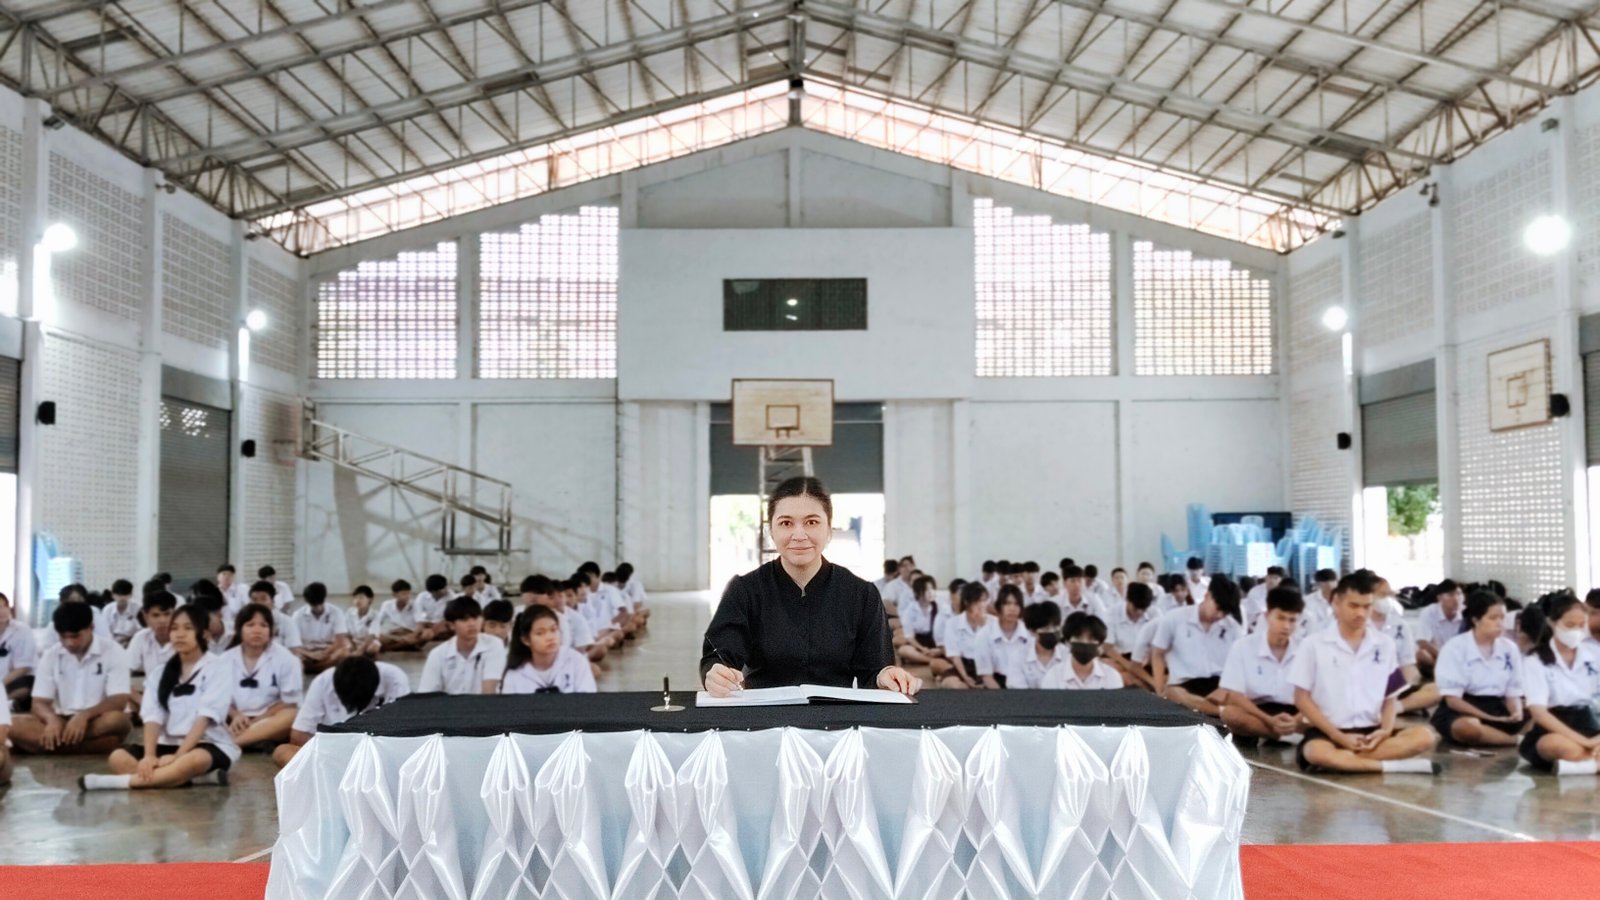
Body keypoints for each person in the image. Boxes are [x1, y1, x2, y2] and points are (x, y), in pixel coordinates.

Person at [701, 477, 919, 697]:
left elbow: (874, 669)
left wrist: (885, 675)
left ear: (829, 529)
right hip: (764, 714)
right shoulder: (745, 591)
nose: (799, 535)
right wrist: (716, 674)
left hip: (836, 714)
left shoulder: (861, 594)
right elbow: (721, 656)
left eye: (812, 522)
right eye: (786, 523)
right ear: (770, 531)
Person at [1290, 570, 1439, 774]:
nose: (1360, 613)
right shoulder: (1313, 645)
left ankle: (1345, 762)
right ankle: (1391, 766)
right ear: (1336, 603)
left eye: (1366, 606)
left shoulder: (1385, 644)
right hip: (1329, 732)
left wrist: (1385, 730)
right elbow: (1301, 699)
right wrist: (1338, 737)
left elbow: (1390, 697)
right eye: (1353, 606)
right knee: (1316, 752)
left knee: (1425, 736)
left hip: (1372, 732)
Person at [78, 604, 235, 790]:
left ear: (205, 634)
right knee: (117, 757)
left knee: (193, 760)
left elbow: (204, 718)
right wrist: (149, 755)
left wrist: (178, 756)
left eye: (188, 628)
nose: (180, 634)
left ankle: (116, 783)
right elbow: (152, 716)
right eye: (174, 628)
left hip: (206, 744)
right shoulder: (160, 672)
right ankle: (188, 779)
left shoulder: (218, 668)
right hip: (165, 743)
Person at [8, 603, 132, 755]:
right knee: (10, 723)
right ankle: (90, 747)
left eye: (75, 636)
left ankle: (48, 745)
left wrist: (84, 715)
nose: (69, 643)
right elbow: (39, 703)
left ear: (91, 628)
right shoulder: (51, 655)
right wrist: (51, 719)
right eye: (63, 637)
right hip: (61, 720)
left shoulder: (113, 651)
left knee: (116, 720)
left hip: (97, 719)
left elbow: (118, 700)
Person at [272, 656, 411, 768]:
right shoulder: (323, 681)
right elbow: (299, 735)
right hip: (331, 754)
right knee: (282, 752)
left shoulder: (395, 679)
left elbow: (403, 734)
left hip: (376, 756)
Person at [1430, 590, 1525, 747]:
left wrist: (1516, 712)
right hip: (1465, 707)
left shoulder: (1510, 648)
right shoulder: (1455, 647)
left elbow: (1512, 691)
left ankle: (1498, 736)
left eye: (1502, 618)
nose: (1500, 623)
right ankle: (1515, 740)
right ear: (1476, 620)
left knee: (1546, 713)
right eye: (1493, 618)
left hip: (1498, 705)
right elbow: (1453, 700)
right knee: (1468, 728)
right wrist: (1490, 718)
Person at [1518, 594, 1600, 774]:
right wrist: (1585, 742)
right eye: (1570, 625)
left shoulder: (1594, 653)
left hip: (1588, 721)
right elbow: (1539, 713)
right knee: (1558, 745)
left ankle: (1585, 766)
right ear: (1552, 623)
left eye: (1581, 625)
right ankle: (1591, 762)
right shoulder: (1535, 660)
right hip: (1553, 726)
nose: (1576, 631)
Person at [1219, 586, 1306, 744]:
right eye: (1280, 618)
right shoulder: (1243, 646)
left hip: (1298, 712)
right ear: (1267, 616)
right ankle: (1290, 737)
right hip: (1258, 711)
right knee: (1229, 714)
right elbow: (1235, 695)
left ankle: (1276, 733)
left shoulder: (1307, 649)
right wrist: (1269, 720)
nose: (1286, 626)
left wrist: (1296, 720)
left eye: (1292, 620)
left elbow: (1316, 696)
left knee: (1328, 713)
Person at [1150, 575, 1245, 716]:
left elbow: (1240, 665)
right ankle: (1221, 713)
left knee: (1240, 697)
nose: (1220, 615)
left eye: (1225, 612)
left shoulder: (1233, 628)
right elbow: (1157, 654)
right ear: (1207, 596)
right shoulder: (1174, 618)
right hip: (1184, 684)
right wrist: (1159, 691)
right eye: (1218, 609)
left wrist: (1225, 689)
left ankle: (1213, 711)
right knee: (1174, 694)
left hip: (1220, 685)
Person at [222, 603, 303, 749]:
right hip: (233, 720)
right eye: (250, 625)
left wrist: (257, 721)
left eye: (263, 625)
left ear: (271, 631)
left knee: (292, 715)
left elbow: (290, 702)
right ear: (239, 629)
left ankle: (230, 744)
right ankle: (251, 740)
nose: (257, 630)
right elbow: (217, 696)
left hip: (270, 719)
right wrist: (235, 715)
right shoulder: (224, 659)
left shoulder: (287, 659)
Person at [500, 605, 597, 694]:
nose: (550, 637)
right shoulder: (515, 674)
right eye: (540, 633)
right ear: (526, 640)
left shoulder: (575, 661)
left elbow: (587, 699)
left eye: (553, 630)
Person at [418, 597, 506, 695]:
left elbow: (489, 690)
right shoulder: (438, 654)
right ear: (451, 625)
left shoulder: (494, 645)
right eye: (464, 620)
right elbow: (427, 693)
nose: (472, 624)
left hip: (486, 703)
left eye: (475, 618)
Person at [1041, 612, 1122, 690]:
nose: (1085, 643)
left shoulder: (1112, 677)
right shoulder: (1053, 676)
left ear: (1100, 644)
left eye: (1091, 639)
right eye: (1078, 638)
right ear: (1067, 642)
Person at [940, 581, 995, 690]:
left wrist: (983, 627)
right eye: (977, 601)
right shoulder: (952, 623)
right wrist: (965, 677)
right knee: (951, 683)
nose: (982, 605)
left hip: (989, 667)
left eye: (984, 600)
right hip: (965, 665)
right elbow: (955, 655)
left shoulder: (993, 622)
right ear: (966, 602)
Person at [974, 586, 1032, 689]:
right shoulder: (984, 635)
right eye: (1007, 603)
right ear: (999, 606)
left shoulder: (1029, 633)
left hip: (1025, 683)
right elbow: (986, 676)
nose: (1012, 608)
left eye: (1016, 604)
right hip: (996, 684)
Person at [1103, 581, 1157, 690]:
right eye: (1136, 608)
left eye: (1143, 609)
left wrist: (1148, 657)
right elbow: (1107, 648)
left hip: (1146, 658)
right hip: (1121, 658)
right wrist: (1128, 665)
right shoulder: (1112, 614)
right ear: (1127, 600)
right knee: (1112, 669)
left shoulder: (1155, 613)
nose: (1140, 612)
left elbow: (1160, 643)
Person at [896, 575, 951, 678]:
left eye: (932, 589)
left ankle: (937, 659)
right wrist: (923, 649)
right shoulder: (910, 610)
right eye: (927, 590)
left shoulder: (940, 606)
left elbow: (948, 630)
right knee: (904, 650)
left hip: (938, 642)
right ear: (919, 592)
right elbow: (910, 637)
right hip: (920, 642)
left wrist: (940, 649)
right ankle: (931, 660)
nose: (931, 592)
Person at [292, 582, 351, 674]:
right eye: (314, 605)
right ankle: (322, 667)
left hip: (329, 651)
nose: (318, 608)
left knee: (344, 653)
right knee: (292, 656)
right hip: (307, 652)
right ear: (307, 601)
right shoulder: (297, 615)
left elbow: (340, 640)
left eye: (320, 604)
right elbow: (293, 643)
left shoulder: (336, 612)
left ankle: (313, 668)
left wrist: (325, 653)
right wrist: (311, 654)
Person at [1011, 601, 1069, 689]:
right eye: (1046, 628)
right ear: (1032, 631)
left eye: (1055, 626)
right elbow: (1017, 691)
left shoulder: (1068, 655)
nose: (1052, 631)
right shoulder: (1019, 656)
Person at [1417, 580, 1466, 673]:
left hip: (1460, 657)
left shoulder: (1467, 613)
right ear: (1439, 598)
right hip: (1438, 655)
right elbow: (1423, 642)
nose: (1456, 598)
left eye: (1459, 594)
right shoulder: (1428, 612)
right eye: (1451, 595)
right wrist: (1444, 656)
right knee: (1422, 654)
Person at [0, 591, 38, 710]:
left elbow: (23, 667)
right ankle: (8, 704)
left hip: (16, 679)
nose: (2, 611)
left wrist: (1, 684)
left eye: (4, 606)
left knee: (24, 688)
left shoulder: (22, 630)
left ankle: (7, 703)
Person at [376, 579, 428, 651]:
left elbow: (420, 624)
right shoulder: (387, 605)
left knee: (425, 635)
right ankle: (402, 646)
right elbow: (378, 622)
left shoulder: (415, 604)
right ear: (394, 595)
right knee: (378, 638)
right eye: (403, 594)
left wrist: (413, 635)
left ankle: (390, 648)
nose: (407, 596)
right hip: (394, 634)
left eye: (408, 593)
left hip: (410, 633)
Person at [1242, 567, 1285, 631]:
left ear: (1281, 580)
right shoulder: (1255, 591)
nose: (1272, 580)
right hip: (1253, 626)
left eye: (1276, 578)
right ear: (1266, 578)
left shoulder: (1284, 593)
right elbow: (1261, 612)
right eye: (1270, 577)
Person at [101, 580, 142, 646]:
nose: (122, 598)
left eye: (125, 594)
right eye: (119, 594)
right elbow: (104, 631)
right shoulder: (107, 610)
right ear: (112, 595)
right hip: (112, 643)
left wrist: (128, 639)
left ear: (131, 594)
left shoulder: (137, 608)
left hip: (133, 642)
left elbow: (142, 630)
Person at [347, 585, 381, 658]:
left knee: (373, 648)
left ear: (370, 600)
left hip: (368, 642)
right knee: (345, 648)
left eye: (361, 597)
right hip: (353, 641)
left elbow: (372, 635)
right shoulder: (349, 612)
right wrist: (353, 645)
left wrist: (360, 649)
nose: (358, 601)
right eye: (355, 598)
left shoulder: (375, 614)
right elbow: (346, 633)